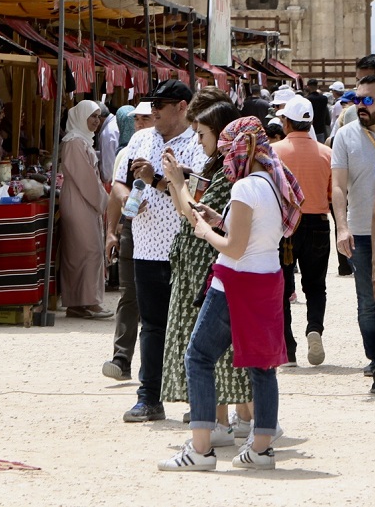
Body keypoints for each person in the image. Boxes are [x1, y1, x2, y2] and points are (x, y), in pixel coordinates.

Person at [157, 116, 304, 472]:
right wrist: (217, 220)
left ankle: (201, 449)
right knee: (262, 366)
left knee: (198, 357)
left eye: (227, 151)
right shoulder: (270, 181)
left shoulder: (244, 188)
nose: (225, 160)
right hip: (266, 280)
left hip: (235, 282)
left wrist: (205, 228)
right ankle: (262, 449)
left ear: (243, 148)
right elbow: (253, 233)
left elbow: (233, 248)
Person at [110, 80, 208, 423]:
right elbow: (120, 181)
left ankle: (199, 400)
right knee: (152, 326)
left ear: (181, 106)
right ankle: (149, 397)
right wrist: (125, 198)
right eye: (152, 104)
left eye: (160, 104)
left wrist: (155, 180)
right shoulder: (140, 139)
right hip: (146, 247)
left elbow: (196, 192)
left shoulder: (196, 143)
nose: (153, 110)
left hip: (184, 249)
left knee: (190, 327)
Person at [160, 94, 255, 444]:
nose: (197, 141)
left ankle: (219, 424)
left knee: (208, 350)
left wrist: (176, 181)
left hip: (208, 267)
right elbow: (185, 208)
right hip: (197, 265)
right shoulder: (218, 169)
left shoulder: (227, 175)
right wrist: (176, 183)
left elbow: (195, 213)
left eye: (202, 134)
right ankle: (230, 422)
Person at [331, 75, 375, 394]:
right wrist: (341, 227)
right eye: (357, 100)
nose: (361, 106)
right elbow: (338, 186)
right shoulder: (345, 136)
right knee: (368, 301)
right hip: (361, 229)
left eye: (368, 100)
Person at [274, 95, 332, 367]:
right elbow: (332, 195)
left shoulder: (275, 152)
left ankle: (288, 348)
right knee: (316, 286)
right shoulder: (326, 153)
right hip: (318, 224)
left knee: (282, 288)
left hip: (285, 227)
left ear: (286, 122)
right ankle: (314, 328)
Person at [101, 102, 152, 381]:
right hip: (132, 229)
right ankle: (121, 358)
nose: (141, 122)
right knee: (129, 295)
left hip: (162, 235)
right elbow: (116, 191)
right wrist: (112, 231)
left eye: (146, 117)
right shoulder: (128, 151)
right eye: (138, 118)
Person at [59, 100, 111, 319]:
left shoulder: (82, 141)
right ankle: (85, 302)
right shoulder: (74, 143)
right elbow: (85, 179)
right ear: (81, 117)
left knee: (84, 251)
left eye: (98, 117)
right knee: (88, 250)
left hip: (84, 200)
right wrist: (104, 200)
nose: (96, 121)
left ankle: (83, 302)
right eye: (92, 116)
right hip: (79, 200)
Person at [305, 78, 332, 143]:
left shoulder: (307, 99)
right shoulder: (324, 98)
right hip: (321, 127)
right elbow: (326, 112)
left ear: (308, 86)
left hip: (310, 127)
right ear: (317, 86)